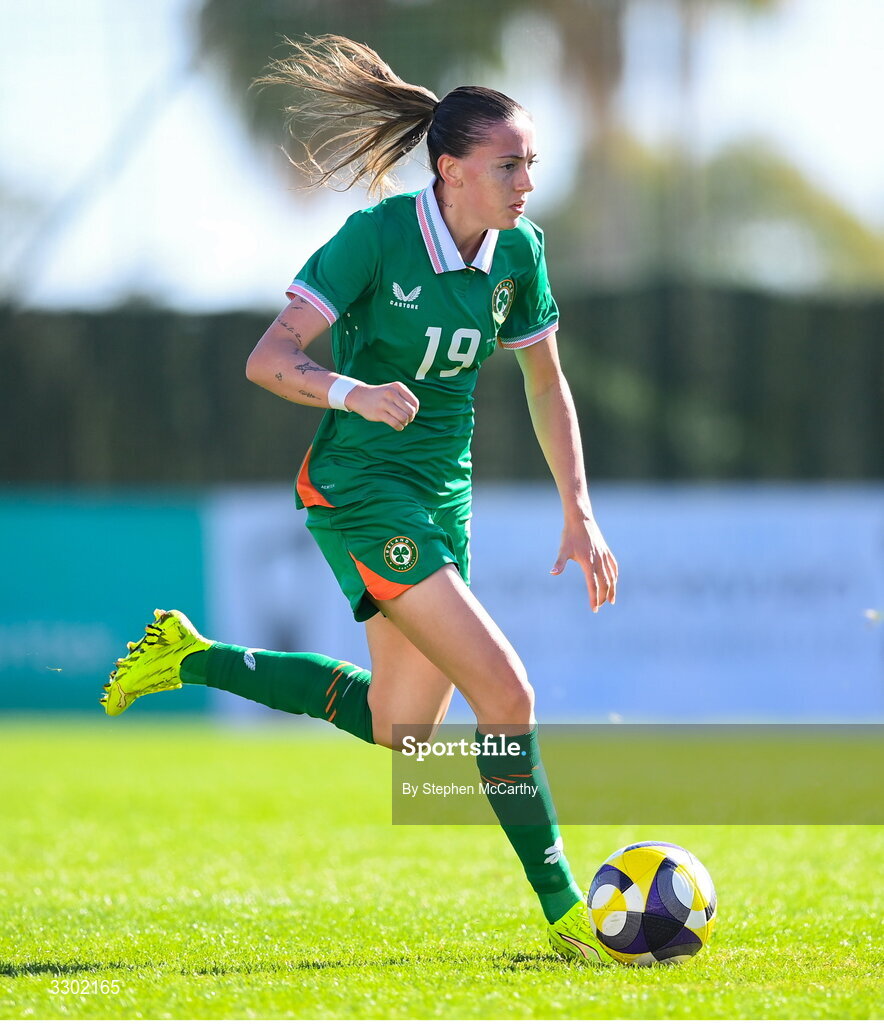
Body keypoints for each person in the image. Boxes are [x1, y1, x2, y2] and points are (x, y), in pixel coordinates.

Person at [101, 35, 619, 965]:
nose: (527, 182)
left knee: (401, 731)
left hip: (437, 498)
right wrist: (355, 394)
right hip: (360, 491)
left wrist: (577, 508)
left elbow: (546, 381)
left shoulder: (520, 253)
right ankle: (567, 914)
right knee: (507, 694)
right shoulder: (376, 238)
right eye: (511, 165)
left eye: (531, 164)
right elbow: (269, 359)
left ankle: (191, 657)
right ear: (452, 171)